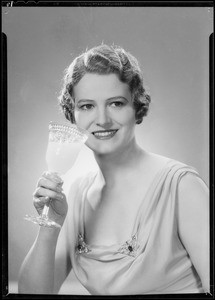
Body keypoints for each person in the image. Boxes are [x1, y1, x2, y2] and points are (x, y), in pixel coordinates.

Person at [18, 44, 210, 295]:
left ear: (137, 106)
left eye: (116, 103)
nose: (103, 120)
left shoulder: (181, 186)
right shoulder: (76, 194)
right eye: (87, 106)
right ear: (72, 113)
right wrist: (49, 225)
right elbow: (32, 294)